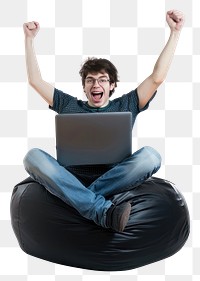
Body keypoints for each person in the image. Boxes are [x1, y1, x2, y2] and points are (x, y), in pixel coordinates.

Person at [23, 10, 185, 232]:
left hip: (114, 177)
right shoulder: (68, 104)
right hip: (72, 177)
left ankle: (80, 199)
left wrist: (175, 33)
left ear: (111, 86)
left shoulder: (127, 104)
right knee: (32, 157)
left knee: (150, 156)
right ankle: (102, 211)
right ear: (84, 87)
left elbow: (157, 77)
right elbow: (35, 80)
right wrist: (29, 40)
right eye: (90, 80)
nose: (95, 84)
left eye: (102, 80)